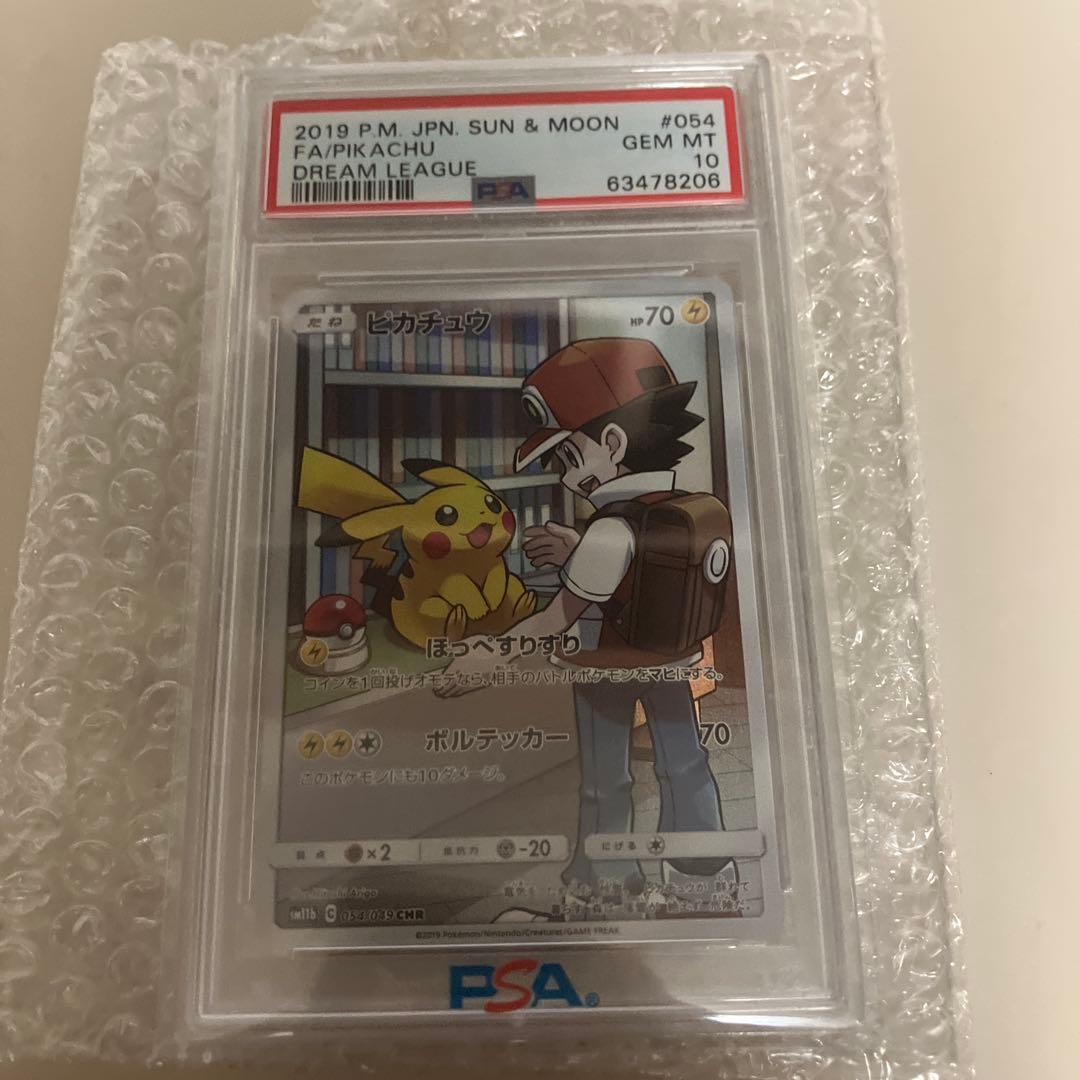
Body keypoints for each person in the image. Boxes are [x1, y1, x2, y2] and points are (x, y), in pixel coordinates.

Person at [437, 337, 730, 897]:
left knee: (607, 779)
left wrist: (490, 654)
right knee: (684, 762)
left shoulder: (609, 529)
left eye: (570, 458)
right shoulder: (676, 505)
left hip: (605, 669)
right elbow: (640, 570)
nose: (567, 478)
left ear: (614, 442)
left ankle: (608, 881)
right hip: (671, 660)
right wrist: (580, 549)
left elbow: (556, 618)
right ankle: (703, 870)